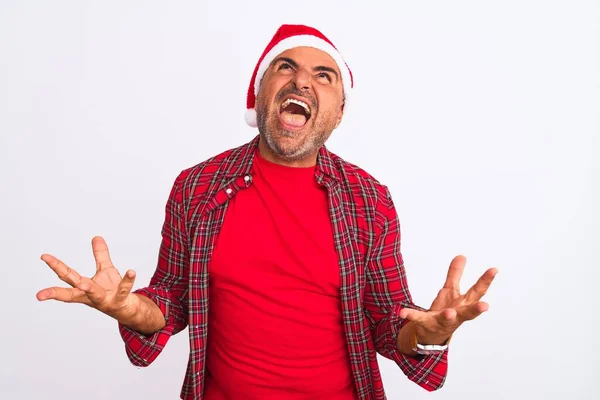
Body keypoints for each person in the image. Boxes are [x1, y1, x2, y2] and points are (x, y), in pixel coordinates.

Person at [36, 24, 498, 400]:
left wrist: (430, 334)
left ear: (338, 112)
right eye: (286, 66)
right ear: (259, 96)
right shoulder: (197, 186)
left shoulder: (368, 199)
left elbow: (385, 322)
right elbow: (170, 303)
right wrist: (129, 309)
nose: (302, 80)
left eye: (324, 75)